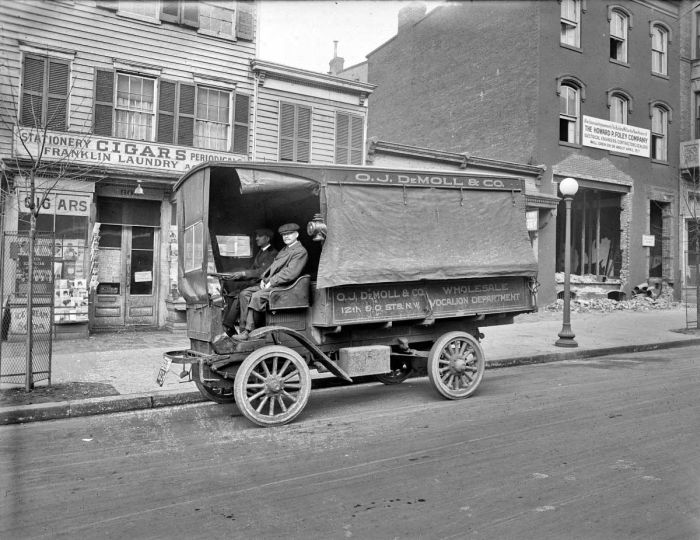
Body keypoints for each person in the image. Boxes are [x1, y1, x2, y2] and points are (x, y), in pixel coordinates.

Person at [233, 223, 308, 341]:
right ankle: (243, 330)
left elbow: (290, 273)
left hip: (286, 287)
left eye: (289, 234)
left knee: (257, 296)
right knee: (244, 294)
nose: (286, 237)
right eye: (284, 235)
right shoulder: (284, 250)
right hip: (275, 285)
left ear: (296, 234)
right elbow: (272, 267)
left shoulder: (300, 251)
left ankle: (249, 330)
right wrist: (264, 279)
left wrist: (271, 282)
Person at [221, 228, 278, 336]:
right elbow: (252, 269)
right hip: (256, 283)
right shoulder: (261, 252)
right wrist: (235, 276)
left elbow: (261, 272)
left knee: (240, 295)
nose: (256, 238)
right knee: (231, 294)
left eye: (259, 236)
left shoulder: (272, 253)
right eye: (256, 236)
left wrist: (243, 274)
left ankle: (239, 328)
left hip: (264, 284)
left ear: (267, 238)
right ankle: (229, 326)